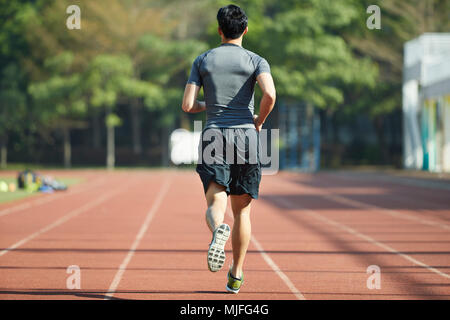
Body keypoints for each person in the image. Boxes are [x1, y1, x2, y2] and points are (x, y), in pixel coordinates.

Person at [181, 4, 276, 294]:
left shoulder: (203, 60)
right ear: (245, 30)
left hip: (214, 136)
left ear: (219, 30)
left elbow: (187, 105)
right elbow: (270, 94)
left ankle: (216, 231)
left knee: (215, 205)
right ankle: (236, 274)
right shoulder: (256, 60)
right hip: (246, 137)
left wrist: (210, 105)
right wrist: (258, 119)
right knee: (243, 214)